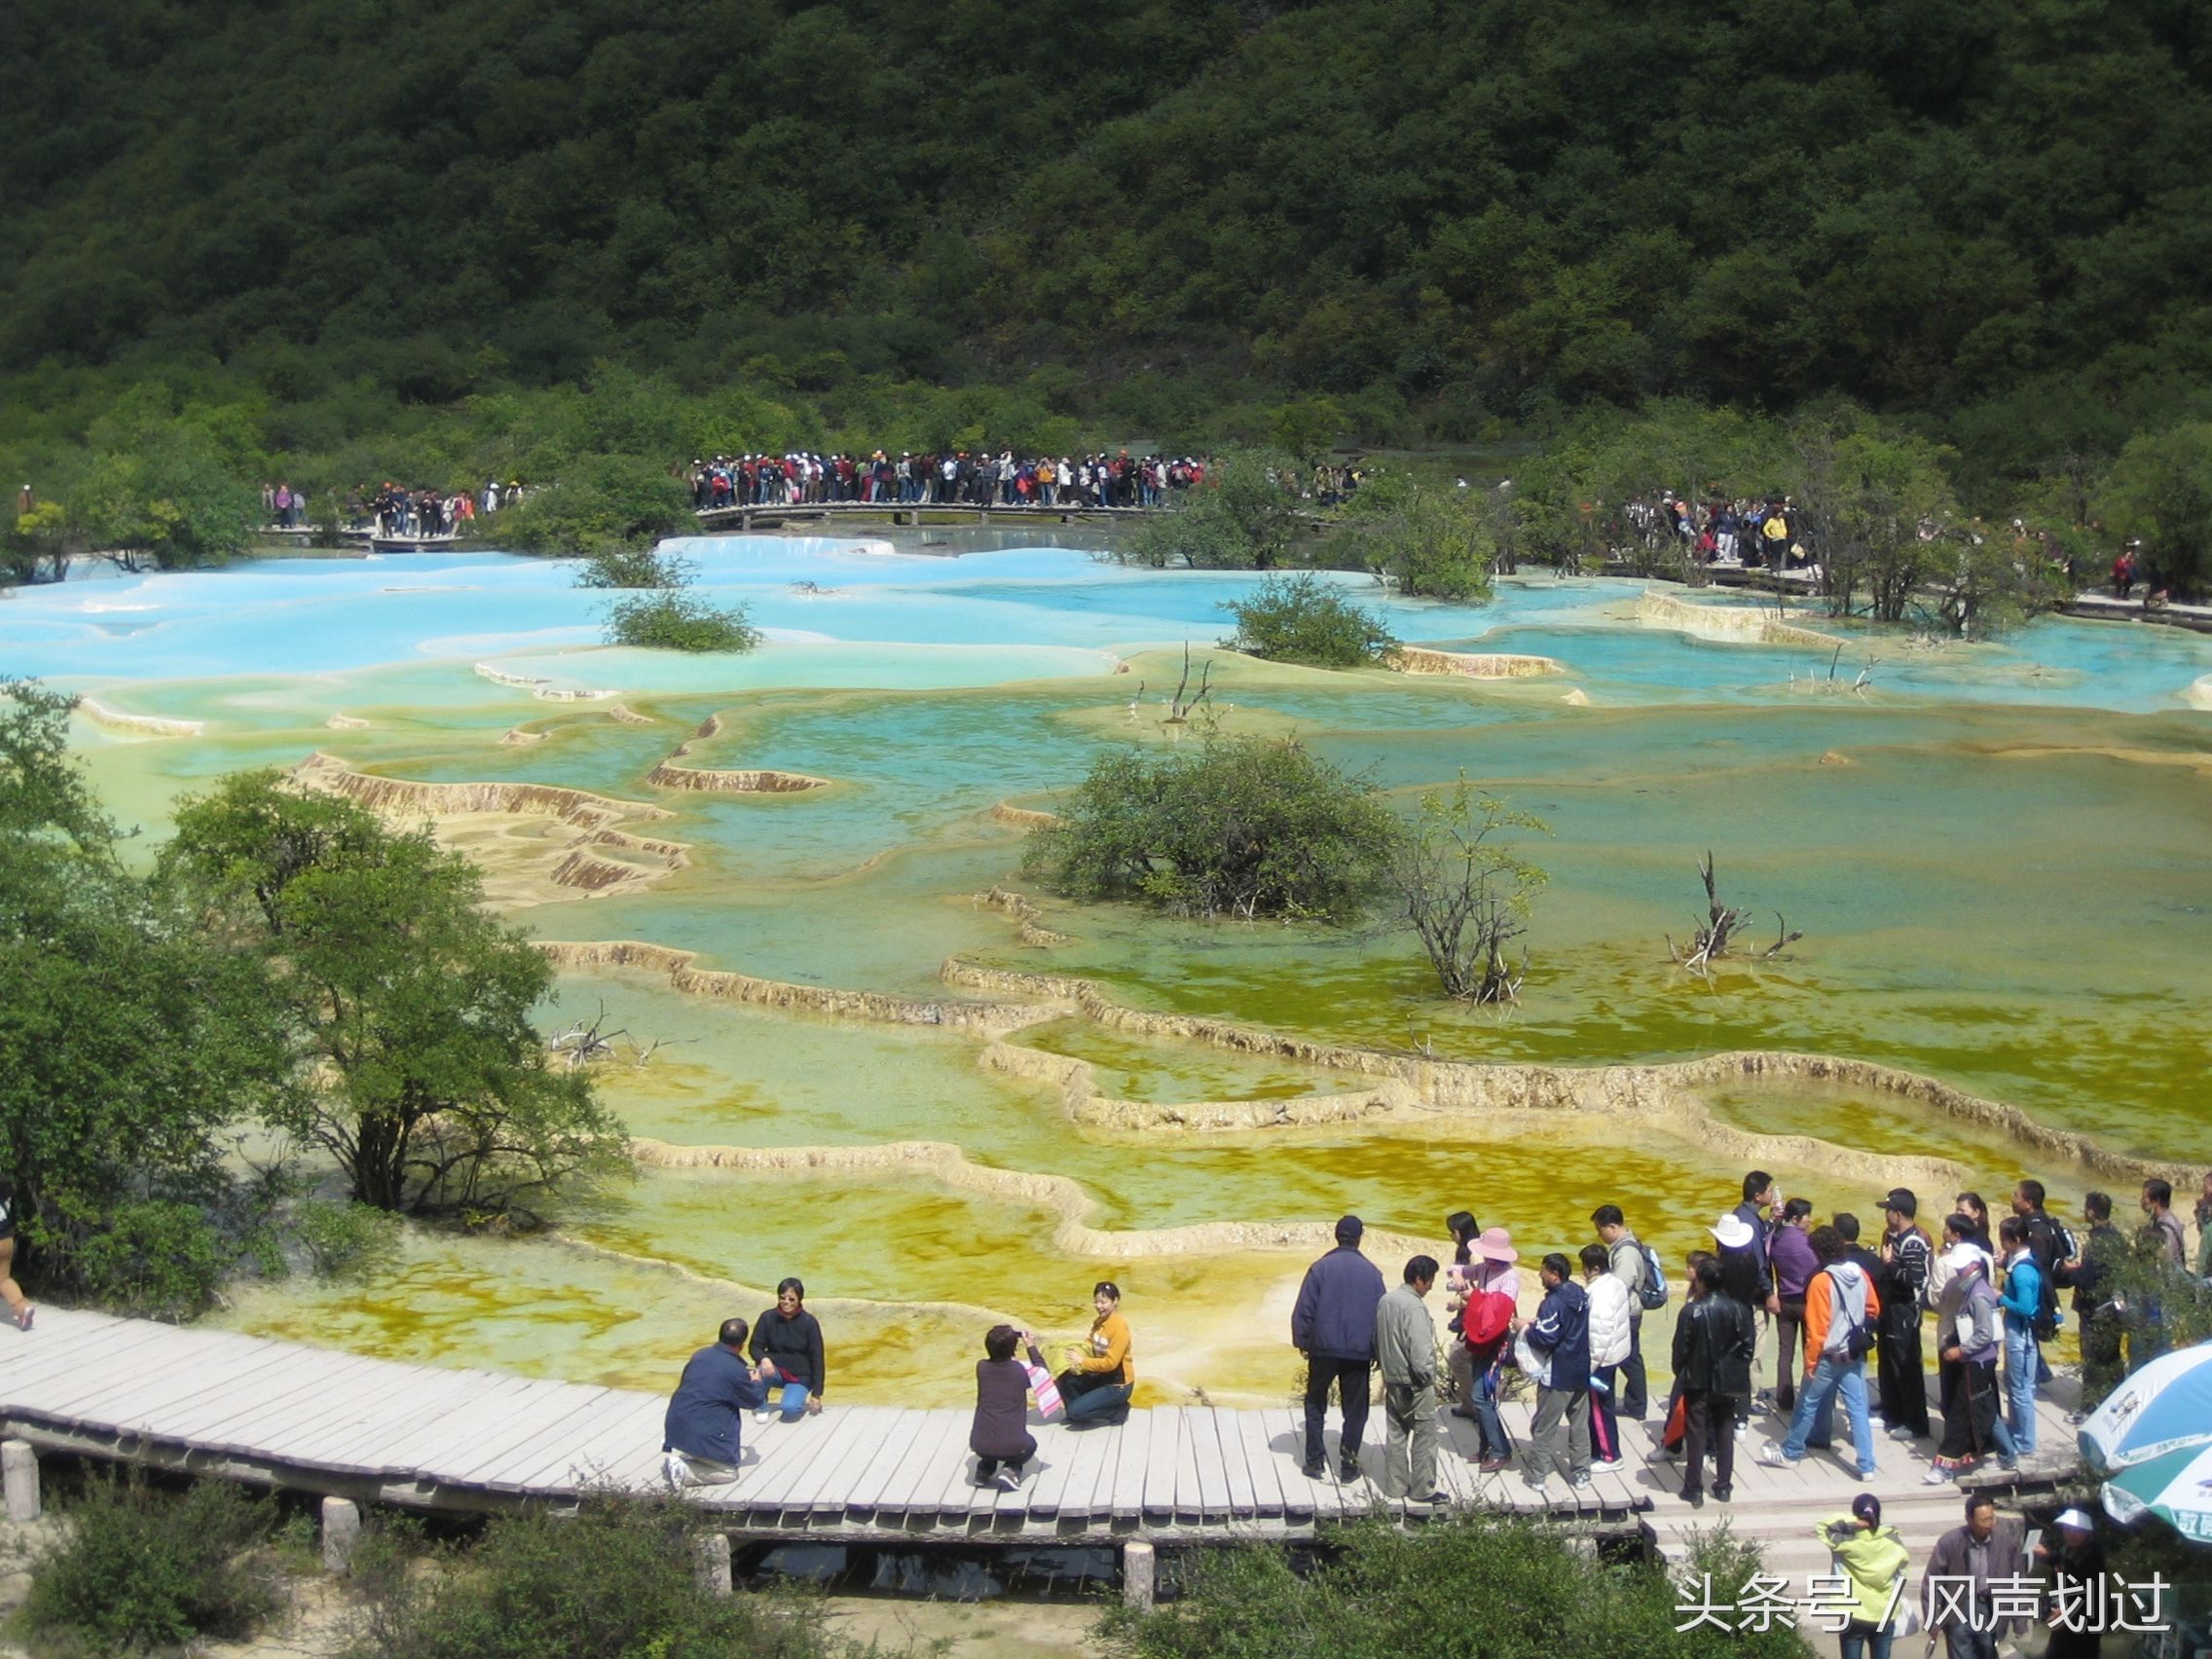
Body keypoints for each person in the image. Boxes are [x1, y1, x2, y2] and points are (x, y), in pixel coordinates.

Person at [1760, 1225, 1880, 1480]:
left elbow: (1817, 1328)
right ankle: (1867, 1465)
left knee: (1807, 1404)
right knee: (1857, 1408)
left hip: (1828, 1355)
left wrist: (1811, 1363)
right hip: (1854, 1352)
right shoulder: (1860, 1273)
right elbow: (1873, 1308)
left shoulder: (1820, 1281)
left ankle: (1792, 1452)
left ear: (1818, 1252)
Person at [1292, 1215, 1386, 1481]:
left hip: (1323, 1348)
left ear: (1336, 1235)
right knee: (1355, 1410)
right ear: (1359, 1237)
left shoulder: (1320, 1268)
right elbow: (1381, 1315)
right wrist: (1378, 1351)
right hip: (1358, 1352)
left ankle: (1314, 1462)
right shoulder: (1372, 1273)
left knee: (1315, 1402)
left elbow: (1305, 1310)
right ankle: (1348, 1465)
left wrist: (1303, 1341)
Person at [1926, 1218, 2014, 1482]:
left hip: (1976, 1361)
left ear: (1974, 1265)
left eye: (1961, 1266)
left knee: (1962, 1411)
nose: (1959, 1270)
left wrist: (1961, 1352)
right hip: (1976, 1360)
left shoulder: (1978, 1295)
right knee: (1985, 1408)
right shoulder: (1970, 1287)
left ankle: (1943, 1465)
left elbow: (1985, 1333)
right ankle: (2008, 1454)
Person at [1673, 1255, 1752, 1507]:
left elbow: (1680, 1349)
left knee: (1695, 1433)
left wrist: (1681, 1372)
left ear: (1702, 1282)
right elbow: (1747, 1348)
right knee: (1724, 1430)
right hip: (1728, 1381)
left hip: (1697, 1380)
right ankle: (1723, 1486)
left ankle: (1693, 1487)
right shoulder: (1739, 1309)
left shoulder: (1692, 1310)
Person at [662, 1316, 776, 1489]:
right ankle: (683, 1470)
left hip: (675, 1427)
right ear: (742, 1344)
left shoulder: (700, 1355)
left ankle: (692, 1456)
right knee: (728, 1472)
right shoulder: (736, 1369)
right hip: (701, 1433)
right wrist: (756, 1381)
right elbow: (754, 1401)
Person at [1920, 1493, 2027, 1659]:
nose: (1989, 1525)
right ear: (1968, 1519)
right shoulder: (1950, 1542)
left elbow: (2018, 1582)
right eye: (1983, 1520)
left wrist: (2019, 1621)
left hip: (1991, 1609)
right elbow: (1932, 1582)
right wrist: (1933, 1620)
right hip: (1959, 1609)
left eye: (1991, 1519)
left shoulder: (2006, 1542)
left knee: (1989, 1652)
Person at [1519, 1252, 1592, 1491]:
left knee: (1544, 1427)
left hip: (1558, 1373)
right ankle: (1582, 1473)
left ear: (1555, 1275)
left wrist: (1526, 1329)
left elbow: (1545, 1338)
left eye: (1544, 1271)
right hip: (1581, 1369)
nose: (1540, 1274)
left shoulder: (1552, 1303)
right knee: (1579, 1424)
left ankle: (1538, 1477)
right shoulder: (1581, 1294)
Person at [1375, 1255, 1444, 1503]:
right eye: (1430, 1280)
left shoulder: (1386, 1300)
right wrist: (1428, 1377)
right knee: (1425, 1436)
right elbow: (1420, 1350)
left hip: (1392, 1377)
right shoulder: (1414, 1307)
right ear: (1419, 1280)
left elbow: (1378, 1339)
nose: (1431, 1286)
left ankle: (1395, 1487)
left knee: (1396, 1434)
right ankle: (1423, 1490)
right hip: (1415, 1383)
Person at [1451, 1227, 1519, 1471]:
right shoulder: (1484, 1269)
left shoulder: (1510, 1279)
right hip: (1479, 1341)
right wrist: (1457, 1275)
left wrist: (1474, 1295)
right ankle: (1487, 1448)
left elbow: (1501, 1309)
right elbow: (1457, 1268)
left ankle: (1500, 1450)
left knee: (1482, 1397)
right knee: (1482, 1398)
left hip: (1495, 1343)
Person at [1819, 1493, 1911, 1659]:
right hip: (1885, 1610)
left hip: (1853, 1612)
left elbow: (1823, 1526)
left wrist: (1856, 1522)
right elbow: (1903, 1572)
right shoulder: (1893, 1541)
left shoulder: (1844, 1541)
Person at [2056, 1192, 2125, 1397]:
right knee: (2112, 1356)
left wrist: (2071, 1270)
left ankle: (2090, 1402)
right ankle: (2115, 1397)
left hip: (2093, 1309)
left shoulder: (2096, 1243)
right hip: (2112, 1307)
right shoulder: (2117, 1238)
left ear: (2091, 1211)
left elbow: (2087, 1279)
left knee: (2092, 1358)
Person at [1875, 1190, 1931, 1441]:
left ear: (1898, 1214)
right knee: (1888, 1359)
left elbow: (1914, 1279)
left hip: (1905, 1310)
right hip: (1891, 1307)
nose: (1885, 1216)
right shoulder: (1895, 1237)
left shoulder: (1914, 1242)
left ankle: (1915, 1422)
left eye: (1887, 1211)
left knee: (1905, 1365)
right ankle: (1892, 1410)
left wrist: (1888, 1265)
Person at [1593, 1203, 1650, 1419]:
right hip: (1629, 1311)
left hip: (1627, 1313)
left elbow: (1620, 1285)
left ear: (1613, 1227)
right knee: (1630, 1358)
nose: (1600, 1235)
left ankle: (1635, 1405)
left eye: (1601, 1230)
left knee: (1628, 1359)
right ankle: (1635, 1404)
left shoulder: (1625, 1253)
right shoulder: (1624, 1246)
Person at [1051, 1281, 1134, 1424]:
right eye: (1096, 1302)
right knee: (1064, 1377)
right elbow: (1089, 1345)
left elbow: (1111, 1363)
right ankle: (1078, 1410)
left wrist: (1082, 1362)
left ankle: (1117, 1411)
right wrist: (1073, 1361)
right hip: (1100, 1377)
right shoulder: (1099, 1322)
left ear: (1115, 1301)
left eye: (1103, 1302)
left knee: (1076, 1411)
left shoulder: (1119, 1328)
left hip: (1117, 1386)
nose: (1099, 1306)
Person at [1579, 1242, 1632, 1466]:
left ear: (1595, 1269)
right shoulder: (1616, 1283)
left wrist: (1589, 1366)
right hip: (1614, 1354)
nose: (1583, 1272)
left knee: (1599, 1409)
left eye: (1585, 1268)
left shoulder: (1598, 1295)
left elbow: (1599, 1335)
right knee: (1604, 1405)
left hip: (1600, 1361)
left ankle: (1609, 1455)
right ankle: (1601, 1450)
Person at [1994, 1216, 2041, 1456]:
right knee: (2019, 1386)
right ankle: (2017, 1432)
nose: (2001, 1243)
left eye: (2004, 1238)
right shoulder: (2024, 1262)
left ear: (2016, 1239)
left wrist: (2000, 1297)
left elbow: (2025, 1307)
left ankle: (2023, 1440)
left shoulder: (2022, 1273)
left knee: (2020, 1388)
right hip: (2020, 1333)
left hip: (2019, 1335)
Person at [970, 1324, 1038, 1489]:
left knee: (992, 1442)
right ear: (1013, 1348)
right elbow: (1041, 1372)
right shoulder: (1020, 1371)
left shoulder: (981, 1367)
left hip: (979, 1444)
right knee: (1031, 1444)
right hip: (1014, 1447)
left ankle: (984, 1471)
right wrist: (1031, 1346)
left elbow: (1001, 1363)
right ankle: (1011, 1469)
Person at [2034, 1508, 2106, 1659]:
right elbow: (2061, 1560)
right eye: (2067, 1529)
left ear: (2087, 1533)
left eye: (2075, 1530)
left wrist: (2067, 1610)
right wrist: (2048, 1556)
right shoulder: (2069, 1549)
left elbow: (2093, 1593)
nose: (2070, 1534)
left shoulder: (2093, 1557)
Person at [749, 1277, 825, 1419]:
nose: (786, 1302)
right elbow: (755, 1346)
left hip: (800, 1376)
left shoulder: (809, 1322)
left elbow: (817, 1359)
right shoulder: (767, 1318)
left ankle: (796, 1397)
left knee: (789, 1408)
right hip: (774, 1371)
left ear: (799, 1299)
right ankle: (762, 1406)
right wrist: (763, 1358)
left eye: (791, 1299)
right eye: (782, 1298)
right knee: (757, 1372)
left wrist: (817, 1394)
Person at [1769, 1197, 1818, 1414]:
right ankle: (1809, 1397)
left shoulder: (1775, 1238)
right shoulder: (1806, 1244)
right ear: (1797, 1218)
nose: (1810, 1220)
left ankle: (1784, 1400)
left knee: (1785, 1353)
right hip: (1806, 1302)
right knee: (1811, 1352)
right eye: (1807, 1216)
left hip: (1785, 1300)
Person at [0, 1181, 32, 1331]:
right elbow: (14, 1217)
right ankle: (22, 1308)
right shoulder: (6, 1190)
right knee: (4, 1279)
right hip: (6, 1239)